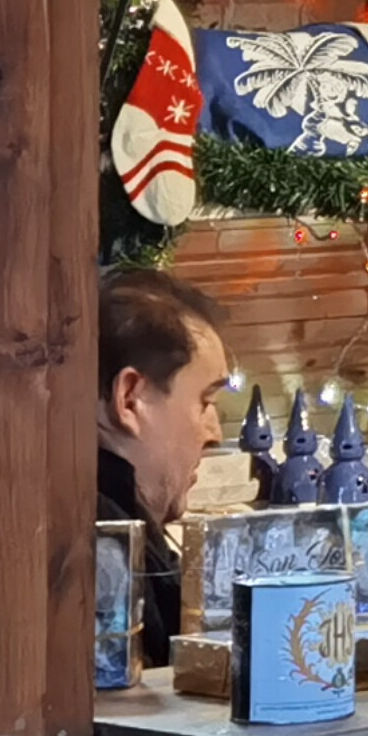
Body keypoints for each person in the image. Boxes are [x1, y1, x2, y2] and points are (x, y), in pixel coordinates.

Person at [95, 266, 227, 660]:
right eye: (205, 401)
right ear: (130, 399)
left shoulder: (123, 522)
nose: (215, 433)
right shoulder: (99, 550)